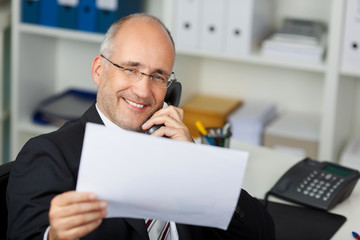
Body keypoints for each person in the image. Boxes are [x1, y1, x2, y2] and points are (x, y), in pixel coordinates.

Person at [7, 14, 275, 240]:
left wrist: (196, 160)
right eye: (131, 69)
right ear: (99, 70)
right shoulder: (48, 154)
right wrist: (54, 236)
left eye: (158, 76)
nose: (143, 90)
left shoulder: (180, 154)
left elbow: (262, 232)